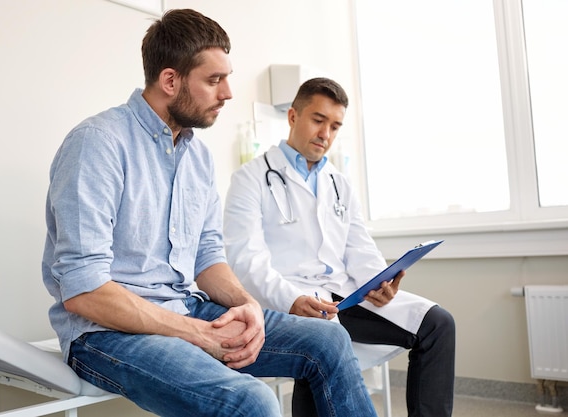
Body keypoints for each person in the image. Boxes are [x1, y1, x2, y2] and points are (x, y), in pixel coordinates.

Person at [41, 9, 379, 417]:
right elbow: (84, 290)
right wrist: (198, 333)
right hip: (104, 335)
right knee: (252, 400)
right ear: (170, 81)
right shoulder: (98, 144)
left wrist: (247, 304)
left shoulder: (197, 156)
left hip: (186, 308)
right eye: (214, 80)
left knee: (329, 340)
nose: (228, 93)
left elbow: (207, 255)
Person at [223, 77, 456, 417]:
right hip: (287, 300)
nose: (325, 134)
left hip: (343, 296)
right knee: (319, 345)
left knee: (438, 323)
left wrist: (380, 282)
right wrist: (290, 299)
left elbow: (359, 247)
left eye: (335, 126)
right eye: (318, 120)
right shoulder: (250, 178)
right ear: (292, 116)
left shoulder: (339, 183)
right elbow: (246, 260)